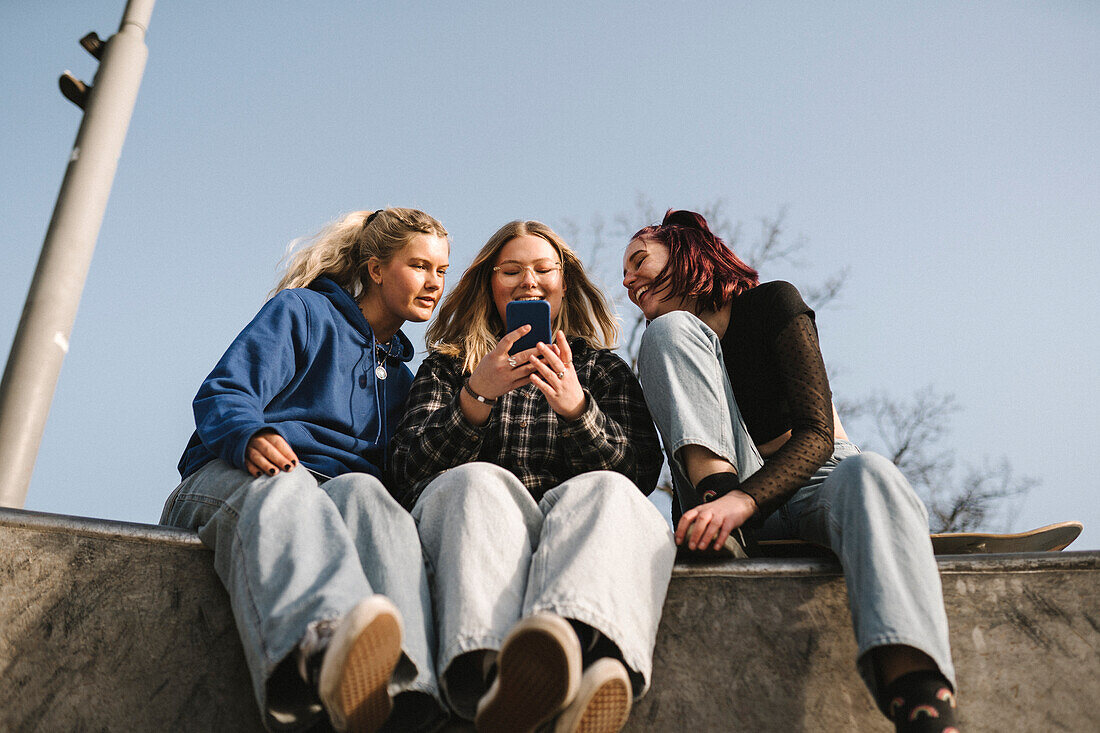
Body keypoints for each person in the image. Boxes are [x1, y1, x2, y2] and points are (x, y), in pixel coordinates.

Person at [622, 210, 961, 733]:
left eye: (639, 260)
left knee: (871, 472)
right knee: (666, 332)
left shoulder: (773, 302)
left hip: (815, 477)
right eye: (624, 274)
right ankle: (720, 506)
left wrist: (747, 501)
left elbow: (816, 433)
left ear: (685, 249)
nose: (627, 280)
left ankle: (921, 704)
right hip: (718, 507)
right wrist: (723, 502)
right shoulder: (668, 343)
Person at [160, 208, 450, 733]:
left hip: (329, 501)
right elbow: (225, 392)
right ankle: (320, 648)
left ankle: (403, 696)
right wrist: (251, 434)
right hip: (235, 480)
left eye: (442, 271)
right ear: (377, 268)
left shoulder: (404, 382)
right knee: (289, 486)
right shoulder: (304, 312)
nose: (434, 283)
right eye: (420, 266)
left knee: (372, 499)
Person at [388, 220, 674, 733]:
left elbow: (640, 474)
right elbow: (407, 472)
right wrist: (476, 396)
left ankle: (574, 653)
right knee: (478, 482)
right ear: (489, 284)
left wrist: (577, 409)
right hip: (477, 533)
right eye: (512, 271)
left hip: (573, 533)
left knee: (608, 490)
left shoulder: (602, 370)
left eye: (544, 269)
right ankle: (487, 674)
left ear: (564, 283)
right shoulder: (449, 368)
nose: (529, 282)